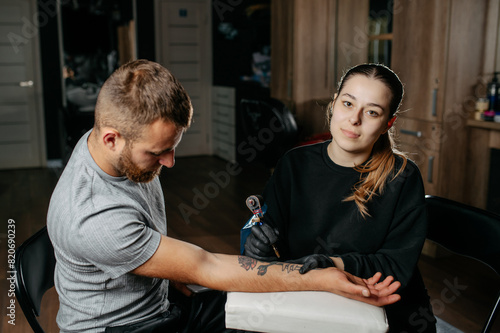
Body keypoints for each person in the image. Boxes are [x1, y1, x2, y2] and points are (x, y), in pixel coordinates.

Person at [47, 59, 401, 333]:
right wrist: (317, 277)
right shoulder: (93, 217)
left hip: (159, 305)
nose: (168, 163)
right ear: (111, 138)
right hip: (125, 328)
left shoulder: (106, 144)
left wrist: (165, 272)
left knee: (269, 308)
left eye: (172, 148)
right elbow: (207, 266)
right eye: (157, 153)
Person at [244, 63, 437, 333]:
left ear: (388, 123)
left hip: (384, 311)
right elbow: (268, 230)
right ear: (334, 104)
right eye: (348, 103)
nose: (354, 119)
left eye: (372, 112)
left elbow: (395, 267)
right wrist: (257, 246)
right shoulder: (294, 164)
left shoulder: (402, 177)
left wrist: (332, 264)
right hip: (311, 300)